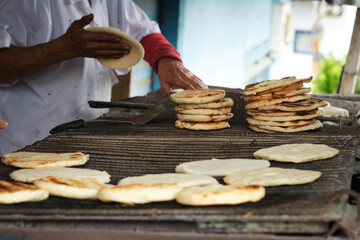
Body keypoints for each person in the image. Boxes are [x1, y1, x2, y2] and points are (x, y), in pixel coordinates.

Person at [0, 0, 207, 156]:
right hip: (27, 141)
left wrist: (167, 60)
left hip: (87, 133)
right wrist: (62, 49)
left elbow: (142, 29)